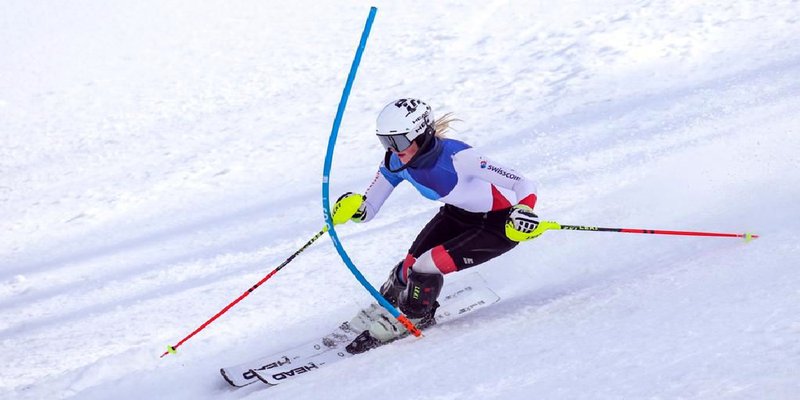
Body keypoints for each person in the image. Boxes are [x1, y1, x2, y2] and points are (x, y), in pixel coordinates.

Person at [333, 98, 541, 353]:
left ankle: (416, 314)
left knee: (426, 266)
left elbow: (523, 183)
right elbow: (369, 209)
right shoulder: (396, 162)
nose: (392, 150)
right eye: (385, 142)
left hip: (500, 224)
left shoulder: (459, 157)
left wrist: (524, 210)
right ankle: (386, 304)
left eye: (397, 141)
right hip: (458, 215)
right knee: (406, 268)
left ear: (421, 134)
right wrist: (354, 210)